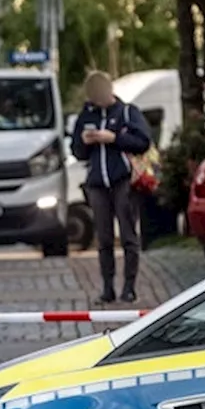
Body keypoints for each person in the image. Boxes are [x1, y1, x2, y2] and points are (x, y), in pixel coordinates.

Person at [70, 71, 153, 304]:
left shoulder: (127, 112)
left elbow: (143, 142)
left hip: (123, 180)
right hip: (97, 182)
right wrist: (85, 142)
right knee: (104, 238)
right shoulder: (86, 116)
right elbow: (76, 151)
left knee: (128, 235)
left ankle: (129, 287)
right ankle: (107, 287)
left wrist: (113, 138)